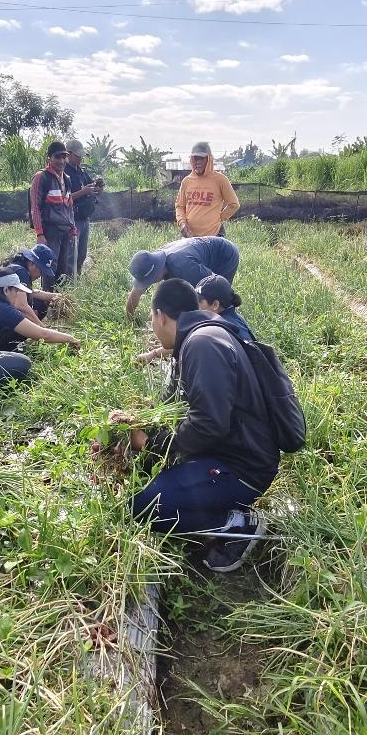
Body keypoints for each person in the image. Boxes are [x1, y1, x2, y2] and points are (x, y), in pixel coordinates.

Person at [120, 279, 280, 574]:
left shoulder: (201, 344)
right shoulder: (199, 336)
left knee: (143, 506)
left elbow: (209, 424)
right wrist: (139, 423)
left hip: (242, 467)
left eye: (150, 320)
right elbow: (188, 412)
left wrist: (151, 442)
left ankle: (236, 523)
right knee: (145, 478)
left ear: (160, 316)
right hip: (227, 453)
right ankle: (214, 507)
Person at [0, 267, 79, 392]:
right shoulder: (1, 309)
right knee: (23, 364)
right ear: (6, 290)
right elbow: (42, 335)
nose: (18, 295)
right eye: (16, 291)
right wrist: (70, 339)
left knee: (12, 358)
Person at [125, 235, 241, 316]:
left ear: (157, 273)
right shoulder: (149, 262)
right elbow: (135, 294)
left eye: (150, 281)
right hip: (199, 256)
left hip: (224, 254)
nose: (148, 284)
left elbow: (214, 282)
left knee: (214, 300)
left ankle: (229, 326)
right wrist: (131, 323)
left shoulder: (183, 266)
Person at [30, 141, 78, 284]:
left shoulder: (67, 179)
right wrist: (40, 234)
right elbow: (35, 207)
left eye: (64, 157)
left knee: (64, 269)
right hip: (50, 231)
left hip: (65, 230)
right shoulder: (41, 177)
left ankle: (59, 302)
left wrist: (73, 228)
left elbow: (69, 205)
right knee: (50, 267)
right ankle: (47, 301)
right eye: (58, 157)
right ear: (49, 159)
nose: (62, 161)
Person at [175, 140, 240, 238]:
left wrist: (219, 218)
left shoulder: (220, 180)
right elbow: (180, 206)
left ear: (209, 159)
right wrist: (182, 223)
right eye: (195, 158)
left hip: (214, 236)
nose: (198, 162)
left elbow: (234, 204)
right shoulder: (187, 181)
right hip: (190, 237)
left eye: (202, 158)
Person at [64, 139, 103, 272]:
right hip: (72, 219)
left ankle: (77, 280)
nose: (80, 159)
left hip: (84, 217)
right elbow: (62, 198)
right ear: (68, 154)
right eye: (77, 156)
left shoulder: (81, 171)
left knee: (81, 254)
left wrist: (97, 189)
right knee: (71, 256)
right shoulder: (63, 173)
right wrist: (83, 192)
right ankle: (69, 284)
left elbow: (90, 187)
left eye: (81, 156)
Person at [196, 274, 255, 341]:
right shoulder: (234, 318)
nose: (195, 306)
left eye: (199, 302)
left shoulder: (223, 328)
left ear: (215, 305)